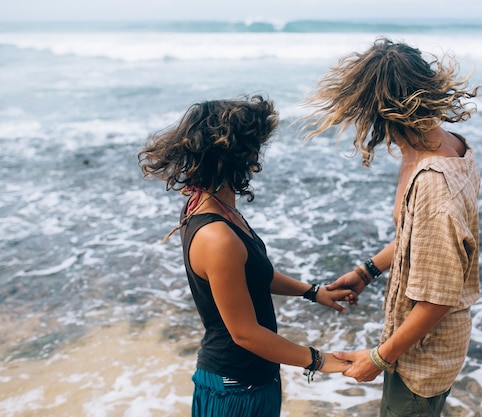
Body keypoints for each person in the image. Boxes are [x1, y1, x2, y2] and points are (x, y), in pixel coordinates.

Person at [301, 38, 482, 416]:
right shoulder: (452, 144)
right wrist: (365, 272)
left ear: (376, 111)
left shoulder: (433, 182)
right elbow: (415, 239)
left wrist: (379, 358)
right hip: (431, 347)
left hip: (423, 359)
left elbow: (437, 297)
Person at [138, 95, 353, 417]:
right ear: (240, 155)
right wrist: (320, 361)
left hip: (253, 377)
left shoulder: (213, 206)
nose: (259, 155)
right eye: (256, 146)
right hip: (235, 387)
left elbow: (251, 274)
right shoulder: (217, 236)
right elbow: (245, 333)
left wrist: (312, 292)